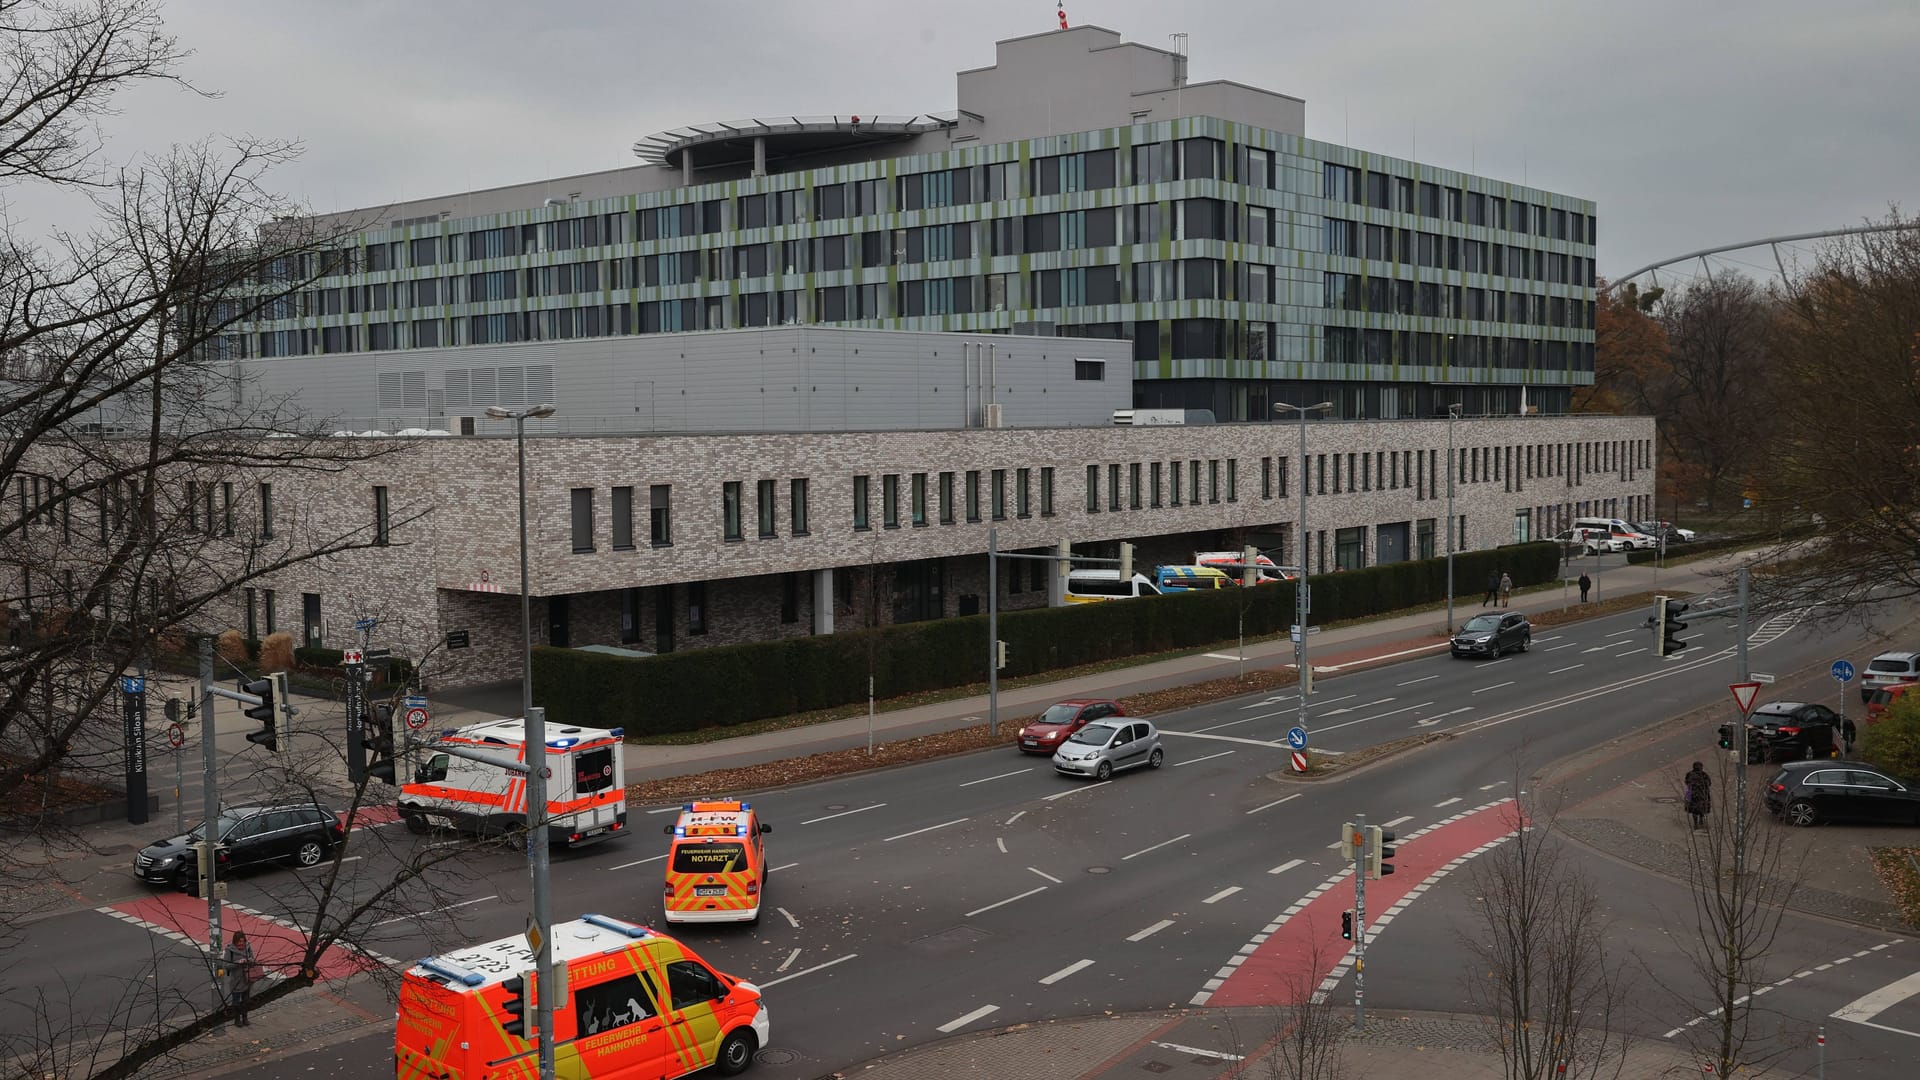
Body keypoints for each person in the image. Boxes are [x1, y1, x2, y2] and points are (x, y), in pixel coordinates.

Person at [223, 931, 258, 1025]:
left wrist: (250, 960)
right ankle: (237, 1019)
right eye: (239, 942)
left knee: (246, 1001)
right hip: (236, 980)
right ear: (235, 941)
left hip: (247, 979)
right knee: (236, 1002)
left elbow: (253, 959)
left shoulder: (247, 947)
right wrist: (238, 963)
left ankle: (245, 1018)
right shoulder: (229, 950)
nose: (241, 944)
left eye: (242, 941)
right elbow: (226, 965)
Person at [1682, 762, 1712, 829]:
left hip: (1692, 794)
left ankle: (1696, 823)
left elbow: (1686, 782)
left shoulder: (1690, 774)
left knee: (1694, 809)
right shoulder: (1704, 775)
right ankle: (1701, 820)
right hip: (1703, 794)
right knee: (1702, 808)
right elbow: (1709, 783)